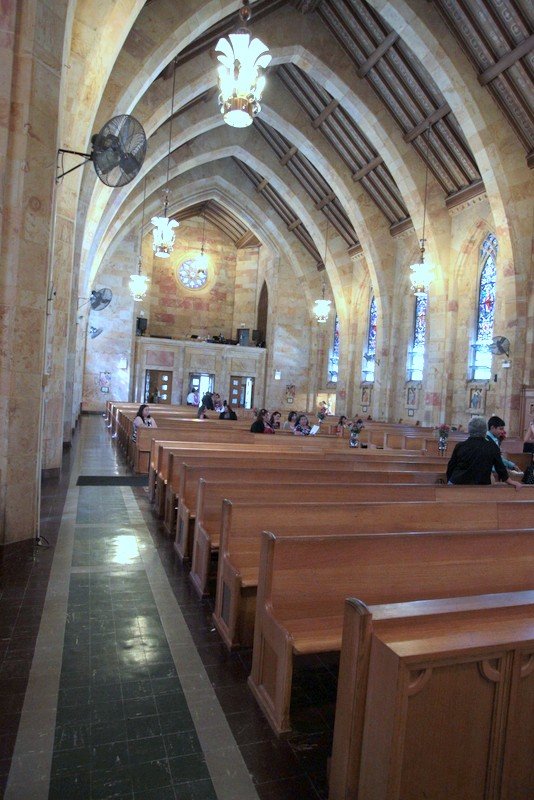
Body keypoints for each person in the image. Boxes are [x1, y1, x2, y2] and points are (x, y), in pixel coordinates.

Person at [446, 416, 522, 487]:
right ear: (485, 430)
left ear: (469, 430)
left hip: (458, 483)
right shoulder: (492, 446)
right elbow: (500, 468)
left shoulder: (460, 446)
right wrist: (510, 481)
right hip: (481, 485)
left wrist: (449, 481)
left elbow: (451, 466)